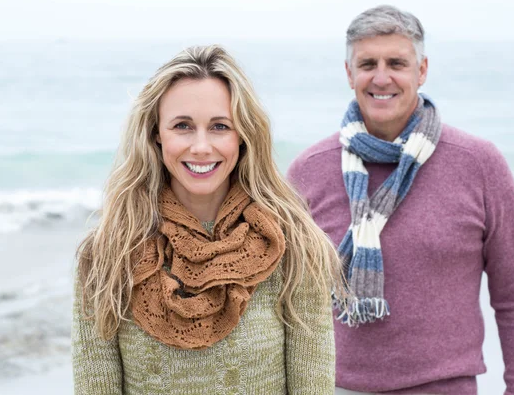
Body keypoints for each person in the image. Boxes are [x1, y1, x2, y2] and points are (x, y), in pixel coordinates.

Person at [287, 5, 514, 395]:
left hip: (445, 387)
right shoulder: (308, 171)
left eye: (397, 63)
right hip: (333, 386)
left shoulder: (479, 164)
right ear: (349, 73)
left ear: (421, 71)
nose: (382, 77)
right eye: (368, 63)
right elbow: (284, 299)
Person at [72, 45, 342, 394]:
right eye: (182, 126)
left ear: (242, 136)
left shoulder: (294, 246)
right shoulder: (108, 254)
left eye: (219, 126)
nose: (201, 146)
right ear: (157, 133)